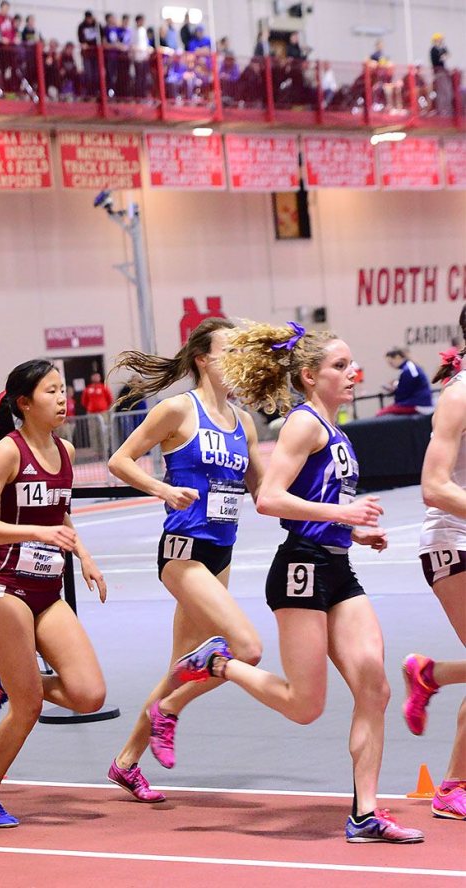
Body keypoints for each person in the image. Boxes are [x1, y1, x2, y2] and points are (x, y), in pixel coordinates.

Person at [172, 322, 423, 843]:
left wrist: (353, 530)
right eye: (339, 366)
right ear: (309, 376)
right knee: (305, 706)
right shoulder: (302, 425)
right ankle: (218, 662)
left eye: (351, 364)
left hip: (335, 564)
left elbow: (322, 510)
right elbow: (269, 500)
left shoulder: (338, 431)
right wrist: (341, 512)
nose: (352, 372)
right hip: (300, 569)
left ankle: (365, 814)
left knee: (372, 686)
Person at [105, 320, 264, 801]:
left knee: (181, 666)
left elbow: (263, 490)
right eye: (227, 350)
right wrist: (163, 488)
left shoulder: (244, 421)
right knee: (243, 646)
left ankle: (126, 762)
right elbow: (120, 461)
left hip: (221, 552)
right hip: (182, 552)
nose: (236, 358)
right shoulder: (178, 409)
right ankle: (169, 710)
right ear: (202, 358)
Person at [0, 359, 106, 827]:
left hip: (48, 589)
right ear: (24, 403)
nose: (63, 399)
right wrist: (37, 536)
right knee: (29, 708)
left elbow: (60, 515)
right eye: (51, 391)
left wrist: (83, 554)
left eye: (63, 390)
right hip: (5, 589)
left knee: (89, 695)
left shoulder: (64, 450)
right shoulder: (8, 451)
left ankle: (8, 676)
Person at [405, 307, 466, 820]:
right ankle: (452, 787)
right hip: (453, 542)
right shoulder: (459, 394)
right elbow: (435, 486)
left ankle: (433, 674)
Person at [378, 347, 433, 416]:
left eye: (391, 363)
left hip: (419, 403)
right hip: (419, 401)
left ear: (397, 357)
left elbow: (403, 393)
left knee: (381, 413)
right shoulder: (410, 367)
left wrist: (394, 391)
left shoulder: (408, 370)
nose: (391, 366)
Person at [81, 371, 113, 460]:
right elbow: (84, 401)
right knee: (93, 433)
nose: (96, 378)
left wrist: (104, 408)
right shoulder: (88, 389)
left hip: (103, 413)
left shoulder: (104, 388)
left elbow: (109, 399)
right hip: (92, 413)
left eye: (97, 376)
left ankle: (105, 451)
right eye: (94, 376)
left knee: (103, 432)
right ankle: (96, 452)